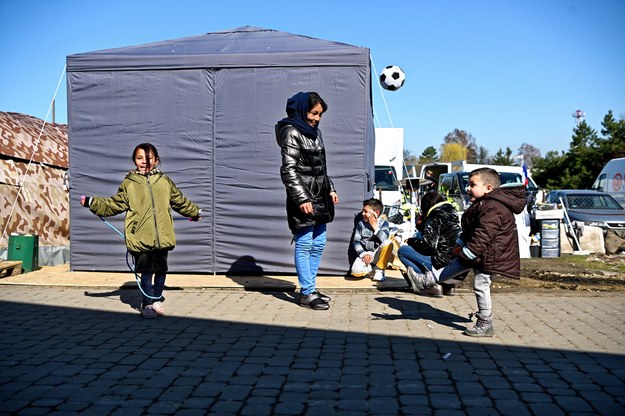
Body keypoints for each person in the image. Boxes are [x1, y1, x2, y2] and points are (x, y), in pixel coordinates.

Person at [80, 143, 201, 319]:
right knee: (146, 272)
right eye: (139, 158)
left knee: (161, 271)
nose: (144, 162)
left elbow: (179, 200)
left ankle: (157, 299)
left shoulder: (164, 181)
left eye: (148, 158)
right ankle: (147, 304)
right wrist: (92, 202)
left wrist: (194, 212)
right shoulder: (129, 183)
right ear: (134, 161)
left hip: (162, 236)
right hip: (141, 237)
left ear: (157, 160)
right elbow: (115, 203)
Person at [406, 168, 525, 337]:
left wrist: (468, 252)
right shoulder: (484, 204)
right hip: (482, 252)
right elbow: (471, 229)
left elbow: (484, 234)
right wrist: (460, 243)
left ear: (488, 188)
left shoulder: (494, 207)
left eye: (472, 185)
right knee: (457, 264)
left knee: (480, 284)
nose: (467, 188)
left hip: (491, 255)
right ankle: (427, 280)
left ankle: (485, 323)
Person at [276, 91, 339, 311]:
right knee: (304, 243)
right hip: (303, 197)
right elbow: (289, 170)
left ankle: (310, 288)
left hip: (320, 195)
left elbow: (321, 167)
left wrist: (330, 188)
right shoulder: (291, 132)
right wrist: (301, 197)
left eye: (320, 114)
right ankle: (307, 292)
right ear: (303, 110)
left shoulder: (315, 132)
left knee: (319, 243)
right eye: (314, 113)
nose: (317, 118)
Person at [398, 192, 461, 297]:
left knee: (403, 251)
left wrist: (411, 241)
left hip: (441, 264)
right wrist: (422, 226)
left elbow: (428, 247)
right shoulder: (453, 214)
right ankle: (448, 286)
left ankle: (429, 283)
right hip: (457, 267)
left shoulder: (434, 217)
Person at [350, 198, 392, 281]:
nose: (363, 213)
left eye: (365, 211)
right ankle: (373, 270)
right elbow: (356, 242)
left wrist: (374, 226)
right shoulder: (361, 224)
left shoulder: (384, 223)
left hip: (378, 253)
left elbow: (384, 239)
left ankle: (380, 270)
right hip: (366, 254)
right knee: (356, 272)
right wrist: (363, 254)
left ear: (376, 213)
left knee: (388, 243)